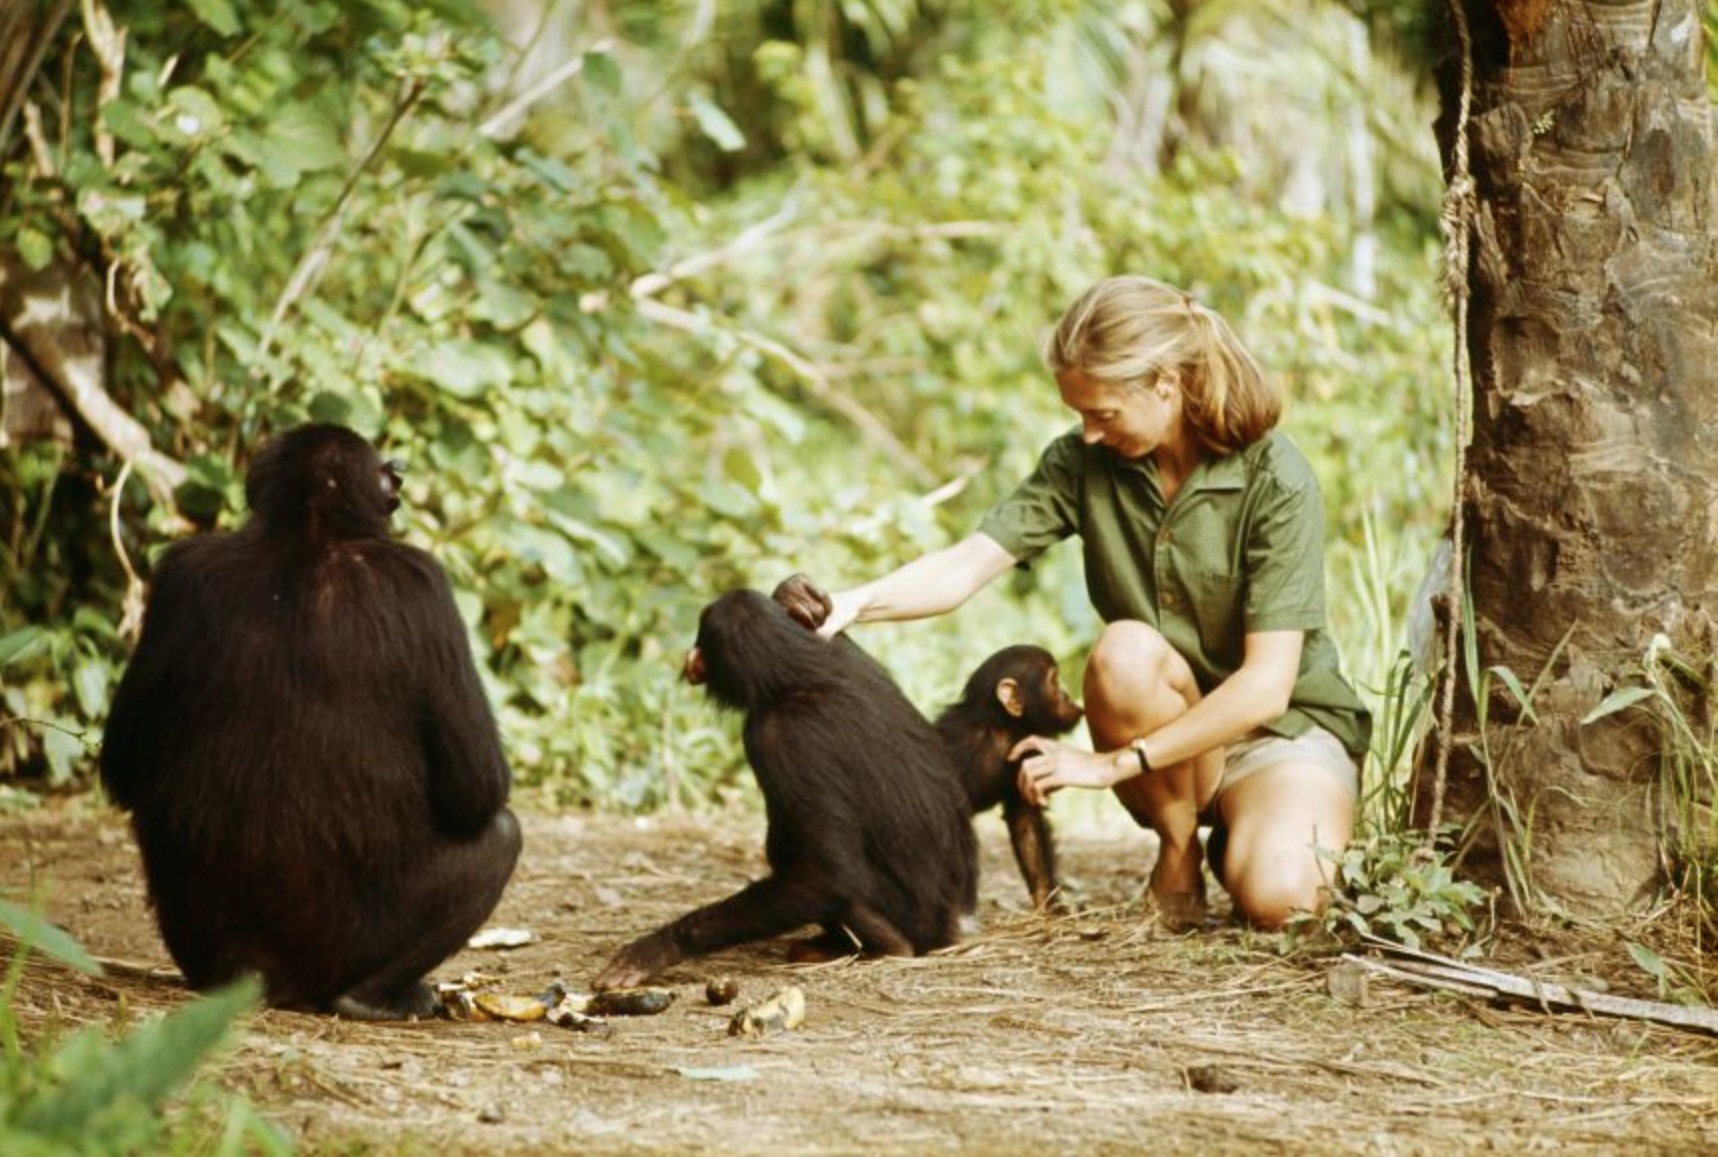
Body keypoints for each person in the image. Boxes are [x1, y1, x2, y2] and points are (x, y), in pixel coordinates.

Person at [803, 275, 1370, 929]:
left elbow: (1268, 687)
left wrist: (1109, 766)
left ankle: (1251, 831)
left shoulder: (1276, 477)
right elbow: (966, 565)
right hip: (1166, 728)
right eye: (1079, 414)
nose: (1090, 433)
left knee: (1284, 899)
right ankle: (1180, 846)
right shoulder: (1082, 462)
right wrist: (852, 604)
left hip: (1279, 732)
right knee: (1125, 648)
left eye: (1103, 413)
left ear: (1166, 382)